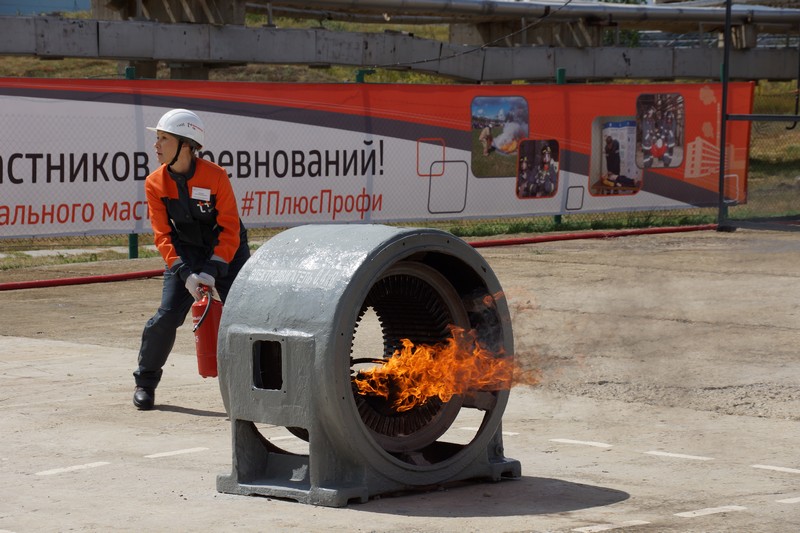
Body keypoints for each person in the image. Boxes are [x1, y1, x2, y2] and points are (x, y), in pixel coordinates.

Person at [133, 109, 250, 410]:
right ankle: (145, 382)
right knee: (167, 316)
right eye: (157, 138)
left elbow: (230, 229)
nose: (156, 145)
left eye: (164, 139)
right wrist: (184, 273)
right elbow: (162, 235)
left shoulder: (216, 177)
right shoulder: (154, 183)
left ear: (186, 144)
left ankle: (257, 385)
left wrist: (212, 270)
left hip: (227, 253)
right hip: (184, 254)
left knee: (244, 316)